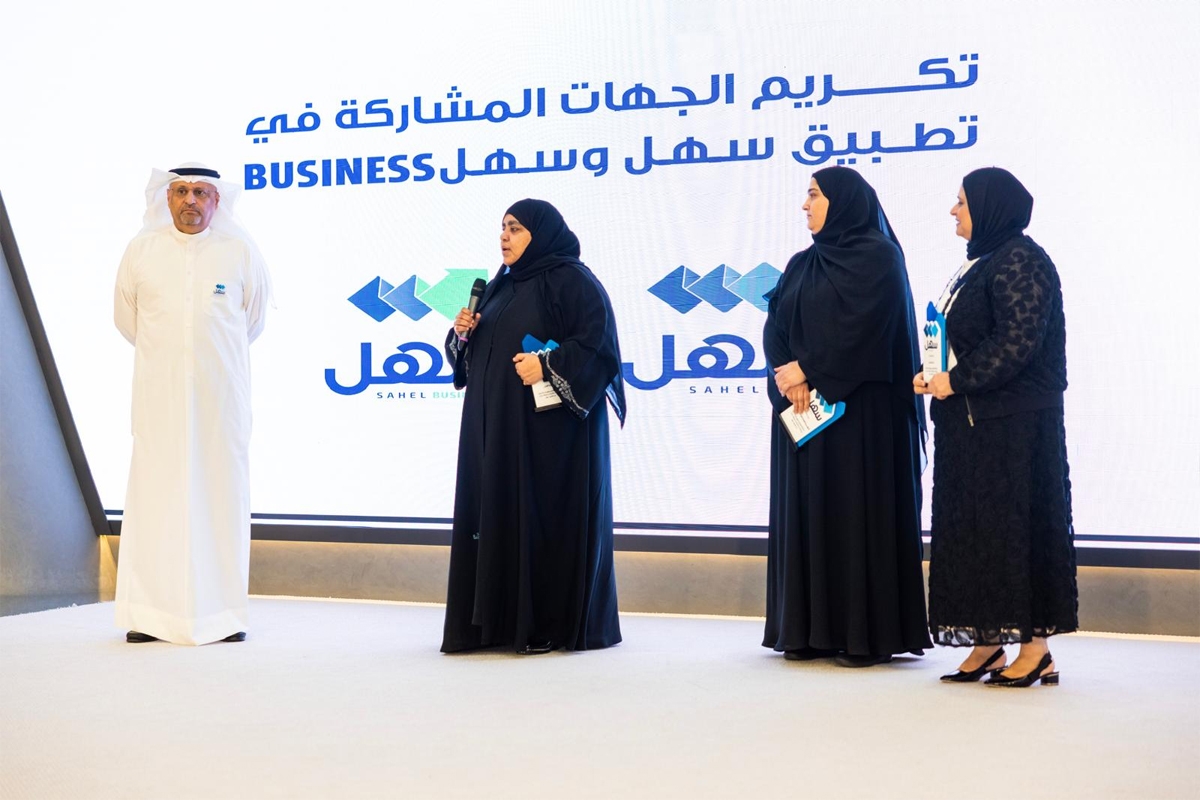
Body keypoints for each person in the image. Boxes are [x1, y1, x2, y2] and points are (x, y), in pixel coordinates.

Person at [763, 166, 932, 667]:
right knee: (808, 514)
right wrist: (788, 374)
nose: (805, 205)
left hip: (863, 421)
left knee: (856, 518)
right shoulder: (801, 263)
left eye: (814, 195)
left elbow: (866, 330)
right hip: (805, 415)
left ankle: (865, 635)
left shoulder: (881, 259)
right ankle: (808, 631)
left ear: (844, 202)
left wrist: (809, 369)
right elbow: (775, 325)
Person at [440, 199, 626, 655]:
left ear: (540, 234)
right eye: (503, 227)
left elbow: (599, 347)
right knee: (497, 513)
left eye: (516, 228)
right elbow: (478, 358)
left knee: (541, 518)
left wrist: (547, 365)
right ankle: (497, 622)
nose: (504, 236)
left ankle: (546, 624)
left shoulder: (573, 281)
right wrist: (463, 336)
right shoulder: (501, 285)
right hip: (496, 432)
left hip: (549, 440)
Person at [915, 167, 1077, 687]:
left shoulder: (1021, 260)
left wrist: (955, 379)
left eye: (961, 201)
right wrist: (933, 374)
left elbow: (1017, 342)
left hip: (1014, 433)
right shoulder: (982, 263)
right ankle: (988, 643)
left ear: (989, 207)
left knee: (1016, 532)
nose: (953, 210)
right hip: (972, 428)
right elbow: (963, 336)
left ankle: (1036, 649)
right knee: (975, 534)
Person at [113, 163, 271, 645]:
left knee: (221, 499)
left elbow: (252, 323)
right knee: (155, 499)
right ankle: (149, 614)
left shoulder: (239, 252)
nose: (190, 201)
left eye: (201, 193)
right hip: (158, 400)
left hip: (220, 403)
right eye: (180, 191)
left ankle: (223, 615)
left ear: (216, 201)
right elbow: (127, 321)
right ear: (166, 198)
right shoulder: (141, 251)